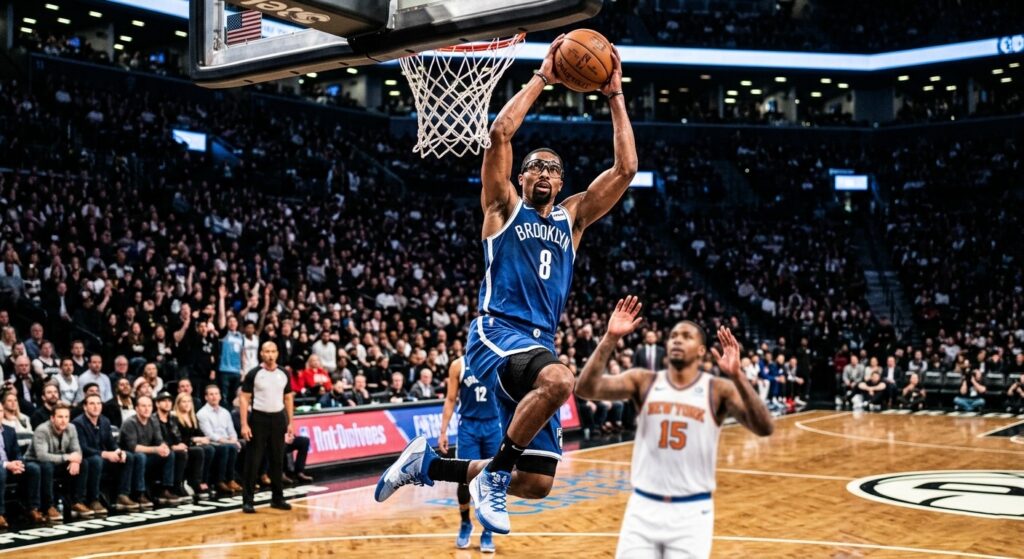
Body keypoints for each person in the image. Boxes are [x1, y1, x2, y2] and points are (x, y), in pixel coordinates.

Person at [375, 35, 636, 536]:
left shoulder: (572, 220)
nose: (544, 171)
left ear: (562, 185)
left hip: (538, 345)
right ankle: (492, 476)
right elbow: (498, 133)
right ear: (521, 176)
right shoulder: (502, 208)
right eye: (535, 165)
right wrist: (543, 76)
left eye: (554, 169)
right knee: (560, 382)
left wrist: (614, 95)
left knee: (537, 482)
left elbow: (626, 169)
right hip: (496, 334)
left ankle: (425, 466)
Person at [575, 297, 774, 559]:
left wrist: (737, 376)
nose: (677, 340)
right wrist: (610, 338)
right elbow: (585, 388)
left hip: (692, 512)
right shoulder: (643, 381)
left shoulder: (718, 390)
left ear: (702, 350)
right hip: (642, 507)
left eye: (686, 336)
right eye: (673, 336)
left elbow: (764, 427)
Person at [438, 356, 501, 552]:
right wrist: (443, 431)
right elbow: (450, 399)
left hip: (493, 426)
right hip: (468, 427)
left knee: (492, 479)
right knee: (464, 478)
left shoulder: (499, 361)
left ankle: (488, 529)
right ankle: (465, 523)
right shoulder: (458, 365)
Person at [239, 341, 294, 513]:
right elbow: (244, 398)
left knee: (278, 459)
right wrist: (244, 424)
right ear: (261, 353)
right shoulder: (254, 373)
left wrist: (290, 422)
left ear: (277, 353)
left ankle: (277, 498)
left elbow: (288, 398)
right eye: (266, 351)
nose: (270, 355)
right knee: (253, 461)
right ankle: (248, 501)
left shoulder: (284, 373)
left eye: (273, 351)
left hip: (278, 418)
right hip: (259, 418)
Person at [72, 393, 140, 513]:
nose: (96, 406)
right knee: (96, 460)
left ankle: (122, 495)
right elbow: (82, 448)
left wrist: (118, 451)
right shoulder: (77, 423)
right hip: (86, 459)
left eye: (98, 403)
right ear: (85, 407)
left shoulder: (104, 420)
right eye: (92, 403)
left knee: (128, 456)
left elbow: (111, 442)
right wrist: (105, 454)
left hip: (102, 457)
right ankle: (93, 499)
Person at [25, 402, 93, 521]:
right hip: (35, 462)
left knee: (84, 463)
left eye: (66, 417)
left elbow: (77, 451)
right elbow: (42, 456)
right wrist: (68, 458)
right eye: (60, 417)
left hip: (57, 461)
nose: (64, 420)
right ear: (52, 418)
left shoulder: (71, 428)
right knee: (47, 466)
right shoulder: (42, 430)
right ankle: (49, 506)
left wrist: (75, 461)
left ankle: (76, 502)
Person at [119, 395, 178, 506]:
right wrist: (156, 449)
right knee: (140, 456)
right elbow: (134, 447)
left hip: (147, 456)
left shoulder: (153, 420)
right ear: (136, 408)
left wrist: (164, 448)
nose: (147, 409)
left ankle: (165, 489)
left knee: (169, 454)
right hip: (129, 457)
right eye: (143, 406)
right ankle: (139, 493)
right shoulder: (130, 423)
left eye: (149, 406)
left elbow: (159, 440)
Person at [196, 385, 243, 495]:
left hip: (227, 442)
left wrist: (234, 439)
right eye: (211, 394)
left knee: (243, 444)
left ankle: (233, 479)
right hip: (212, 442)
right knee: (227, 447)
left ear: (220, 396)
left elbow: (231, 431)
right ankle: (220, 481)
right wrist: (230, 441)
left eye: (216, 394)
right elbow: (210, 435)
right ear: (206, 397)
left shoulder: (225, 412)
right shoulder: (202, 413)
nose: (214, 397)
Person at [0, 420, 45, 526]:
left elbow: (17, 452)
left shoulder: (9, 430)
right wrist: (6, 465)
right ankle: (0, 513)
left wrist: (18, 463)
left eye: (0, 411)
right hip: (2, 467)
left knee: (33, 468)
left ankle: (32, 508)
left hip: (11, 466)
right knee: (1, 471)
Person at [173, 392, 216, 497]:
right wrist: (195, 440)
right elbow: (179, 438)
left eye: (189, 401)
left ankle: (203, 481)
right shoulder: (175, 417)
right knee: (199, 450)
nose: (187, 404)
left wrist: (203, 439)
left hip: (191, 445)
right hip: (181, 446)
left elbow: (199, 434)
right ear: (178, 404)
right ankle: (195, 482)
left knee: (210, 449)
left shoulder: (192, 417)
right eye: (184, 402)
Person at [154, 391, 192, 504]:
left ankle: (178, 485)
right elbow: (157, 439)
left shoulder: (173, 419)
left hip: (172, 448)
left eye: (169, 401)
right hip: (158, 449)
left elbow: (178, 437)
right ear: (157, 404)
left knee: (185, 452)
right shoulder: (153, 419)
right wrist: (173, 447)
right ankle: (166, 489)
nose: (167, 403)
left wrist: (180, 445)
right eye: (164, 401)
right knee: (174, 453)